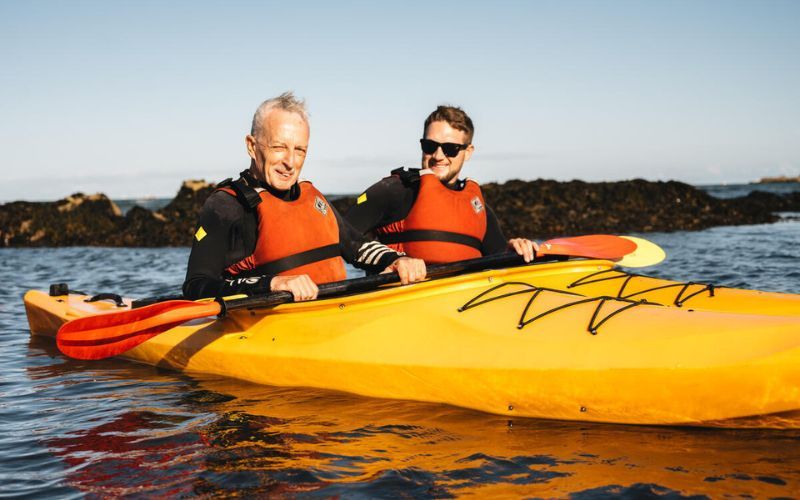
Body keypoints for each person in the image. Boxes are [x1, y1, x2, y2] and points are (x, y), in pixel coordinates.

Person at [183, 92, 426, 302]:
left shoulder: (312, 198)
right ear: (251, 145)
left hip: (330, 317)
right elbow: (196, 286)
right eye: (279, 147)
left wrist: (396, 259)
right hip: (264, 330)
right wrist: (272, 284)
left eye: (299, 150)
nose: (290, 162)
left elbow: (356, 245)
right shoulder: (226, 206)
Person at [344, 105, 537, 264]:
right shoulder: (394, 192)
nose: (437, 156)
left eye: (450, 149)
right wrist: (391, 260)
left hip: (460, 306)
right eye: (429, 146)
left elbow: (500, 262)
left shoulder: (479, 210)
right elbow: (340, 235)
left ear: (468, 152)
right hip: (401, 304)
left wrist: (515, 249)